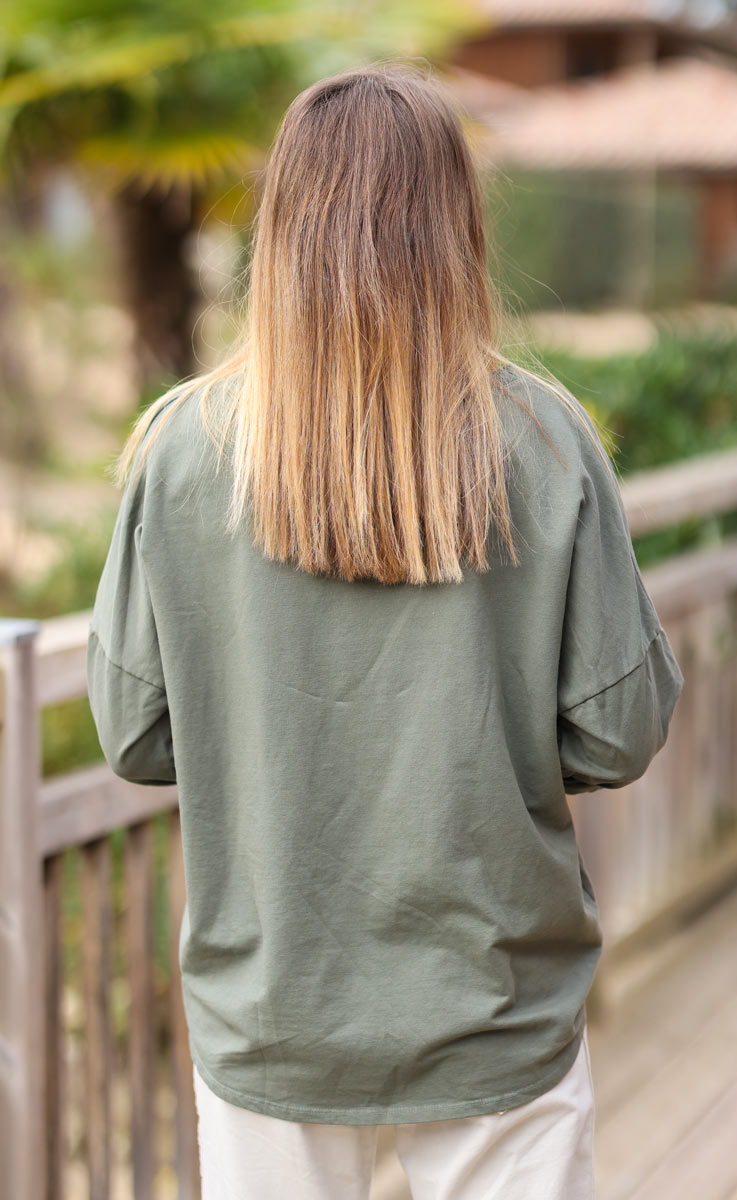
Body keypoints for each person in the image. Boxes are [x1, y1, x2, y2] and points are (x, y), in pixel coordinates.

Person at [86, 59, 684, 1200]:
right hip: (495, 1007)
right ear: (453, 223)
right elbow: (618, 728)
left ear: (282, 229)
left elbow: (133, 733)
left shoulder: (181, 452)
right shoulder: (545, 441)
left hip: (270, 1015)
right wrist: (480, 743)